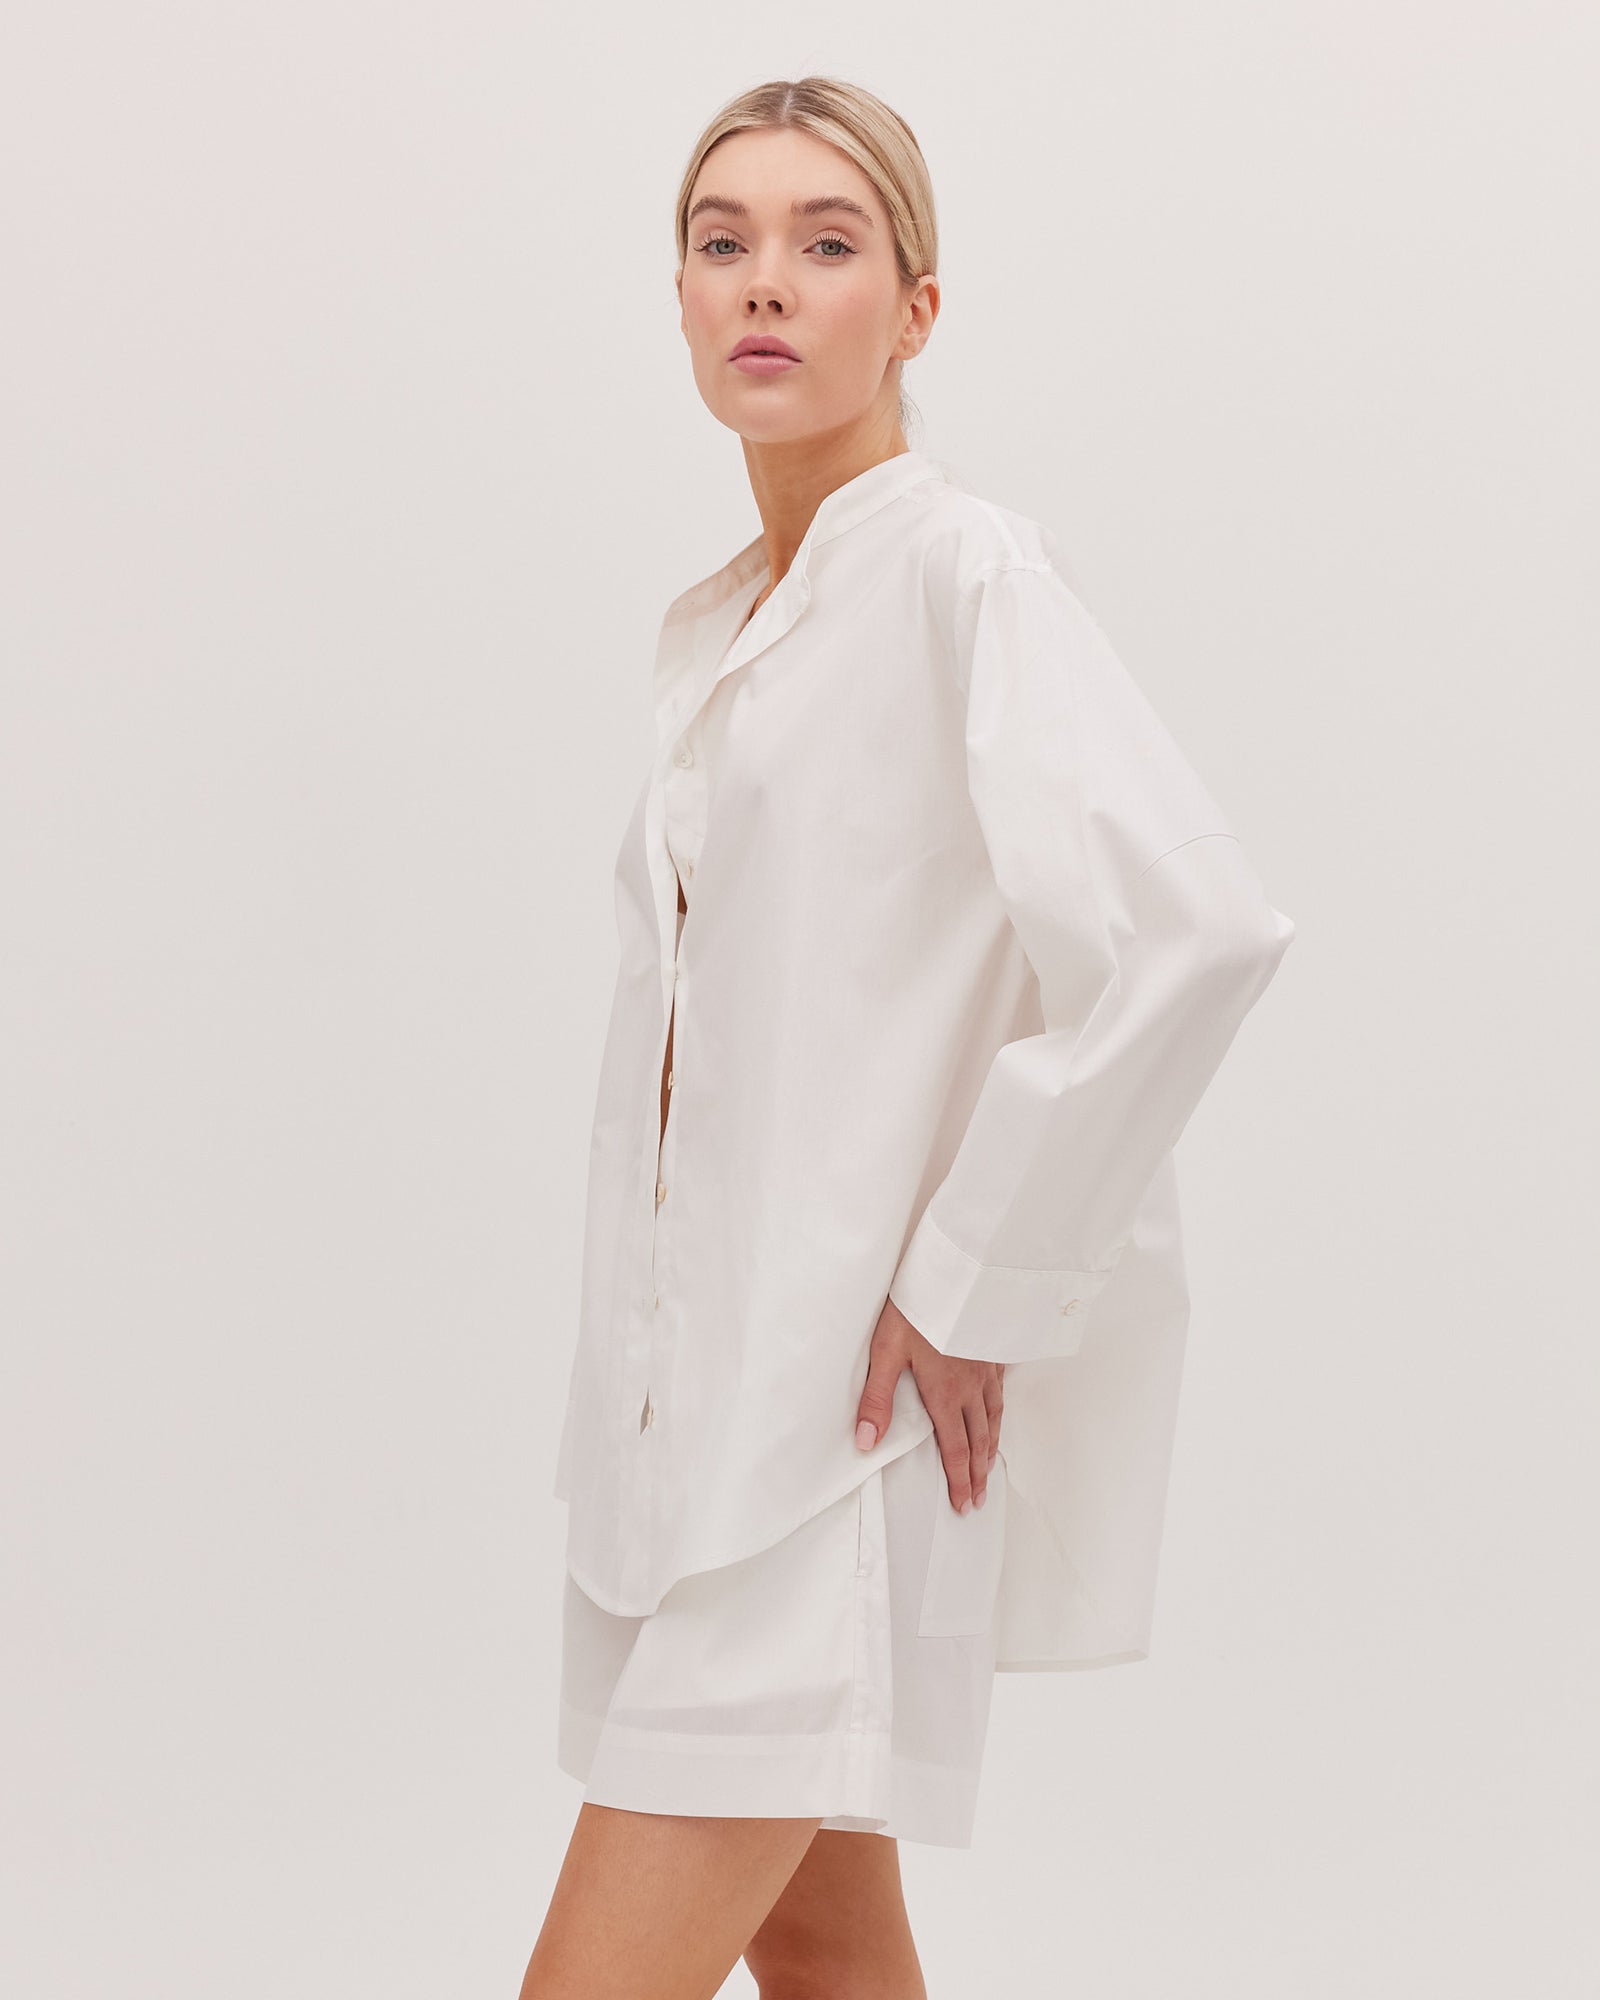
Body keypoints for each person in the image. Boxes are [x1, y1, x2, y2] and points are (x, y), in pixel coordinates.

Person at [518, 74, 1295, 2000]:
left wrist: (974, 1282)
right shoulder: (735, 625)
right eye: (722, 242)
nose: (765, 282)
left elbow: (1194, 928)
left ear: (917, 308)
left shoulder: (965, 573)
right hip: (692, 1447)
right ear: (680, 300)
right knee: (829, 1958)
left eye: (827, 240)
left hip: (825, 1461)